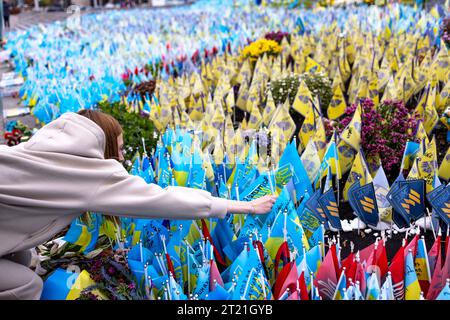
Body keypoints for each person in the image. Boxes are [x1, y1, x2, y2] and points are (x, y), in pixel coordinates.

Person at [0, 110, 277, 299]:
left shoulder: (40, 149)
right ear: (104, 147)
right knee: (26, 285)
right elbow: (162, 200)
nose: (122, 157)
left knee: (25, 259)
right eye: (119, 149)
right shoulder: (84, 174)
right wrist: (245, 207)